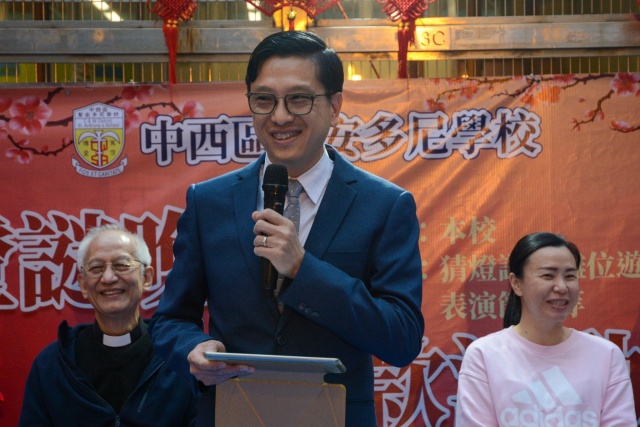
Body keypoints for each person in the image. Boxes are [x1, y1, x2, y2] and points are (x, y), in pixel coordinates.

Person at [149, 30, 424, 426]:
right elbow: (170, 320)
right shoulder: (209, 201)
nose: (279, 117)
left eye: (299, 99)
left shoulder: (383, 205)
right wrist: (192, 348)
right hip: (232, 412)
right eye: (264, 99)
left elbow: (402, 339)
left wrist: (303, 269)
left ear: (335, 105)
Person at [19, 224, 198, 427]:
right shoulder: (51, 365)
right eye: (96, 268)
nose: (108, 278)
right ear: (83, 285)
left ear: (146, 278)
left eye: (122, 265)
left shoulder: (178, 359)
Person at [455, 232, 636, 426]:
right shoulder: (484, 354)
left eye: (570, 276)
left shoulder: (605, 355)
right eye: (548, 275)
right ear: (516, 283)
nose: (562, 287)